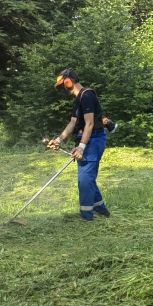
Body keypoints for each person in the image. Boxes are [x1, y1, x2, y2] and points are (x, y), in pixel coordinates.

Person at [47, 69, 111, 221]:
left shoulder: (87, 96)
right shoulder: (78, 99)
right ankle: (102, 210)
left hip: (94, 140)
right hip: (86, 139)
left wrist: (81, 147)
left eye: (63, 84)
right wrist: (58, 140)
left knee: (85, 179)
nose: (63, 88)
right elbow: (73, 123)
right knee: (87, 178)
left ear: (69, 81)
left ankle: (87, 216)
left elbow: (89, 124)